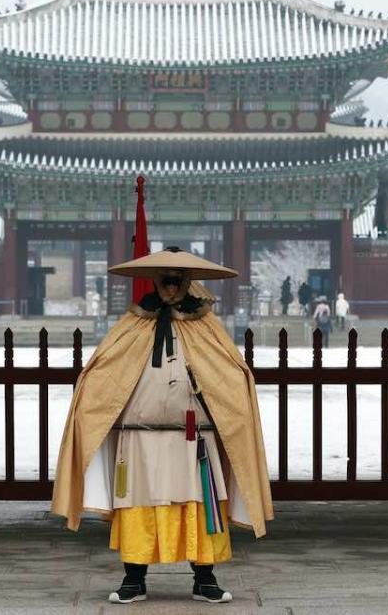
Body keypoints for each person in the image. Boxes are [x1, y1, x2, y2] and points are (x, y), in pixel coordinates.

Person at [52, 248, 273, 605]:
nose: (171, 284)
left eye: (178, 278)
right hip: (139, 439)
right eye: (165, 278)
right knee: (137, 506)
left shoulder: (206, 327)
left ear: (188, 282)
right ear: (155, 281)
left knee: (201, 506)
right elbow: (103, 373)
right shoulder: (133, 324)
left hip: (195, 439)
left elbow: (232, 375)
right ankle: (133, 579)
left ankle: (205, 578)